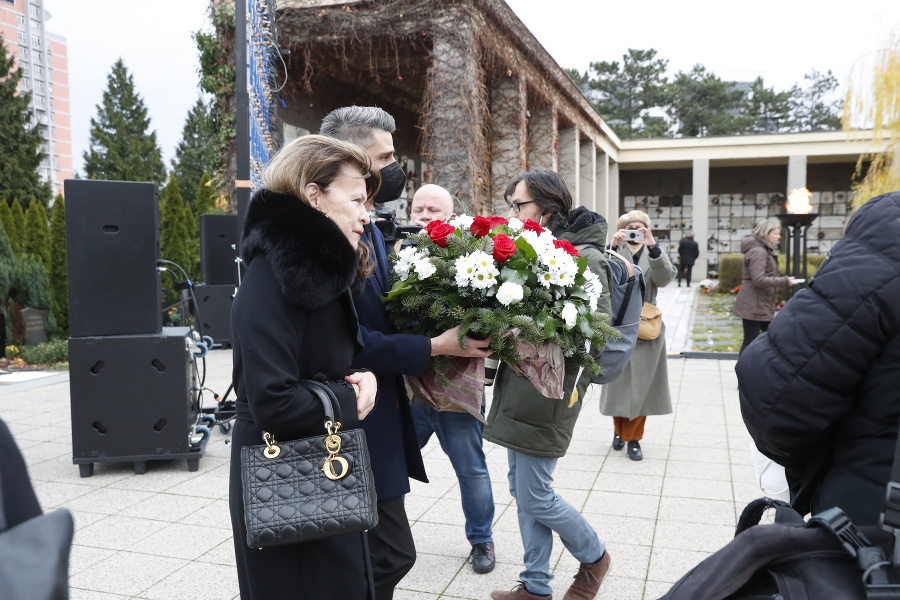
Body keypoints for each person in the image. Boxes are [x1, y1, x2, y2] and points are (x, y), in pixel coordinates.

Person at [321, 105, 494, 599]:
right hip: (356, 417)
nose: (396, 167)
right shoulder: (330, 238)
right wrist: (435, 345)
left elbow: (386, 309)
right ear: (352, 159)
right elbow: (350, 339)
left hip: (385, 412)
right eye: (387, 156)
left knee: (385, 554)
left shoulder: (369, 225)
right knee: (386, 554)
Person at [229, 135, 380, 599]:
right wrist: (347, 399)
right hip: (286, 477)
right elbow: (271, 397)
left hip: (316, 466)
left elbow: (319, 364)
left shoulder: (310, 268)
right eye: (356, 199)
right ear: (315, 196)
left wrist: (361, 378)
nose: (366, 213)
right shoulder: (276, 270)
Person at [484, 169, 613, 600]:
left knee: (535, 493)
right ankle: (536, 586)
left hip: (551, 391)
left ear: (548, 207)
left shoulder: (586, 257)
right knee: (523, 491)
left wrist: (537, 340)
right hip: (523, 384)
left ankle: (594, 558)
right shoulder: (538, 252)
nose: (512, 213)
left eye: (518, 205)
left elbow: (599, 335)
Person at [737, 190, 900, 526]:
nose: (780, 236)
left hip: (869, 508)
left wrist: (810, 468)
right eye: (776, 233)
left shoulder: (888, 226)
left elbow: (779, 398)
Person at [406, 183, 497, 574]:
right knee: (385, 460)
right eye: (417, 209)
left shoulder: (473, 260)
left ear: (452, 218)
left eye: (433, 210)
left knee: (470, 469)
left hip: (458, 389)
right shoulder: (394, 257)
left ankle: (482, 541)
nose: (424, 216)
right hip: (409, 387)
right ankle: (368, 529)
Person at [600, 210, 675, 461]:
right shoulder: (615, 250)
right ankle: (618, 431)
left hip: (646, 326)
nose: (635, 231)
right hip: (617, 323)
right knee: (616, 383)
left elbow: (665, 279)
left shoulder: (653, 254)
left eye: (640, 228)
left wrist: (653, 248)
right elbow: (601, 277)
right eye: (630, 227)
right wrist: (613, 245)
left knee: (641, 387)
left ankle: (634, 439)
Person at [733, 218, 800, 354]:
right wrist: (785, 281)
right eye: (775, 233)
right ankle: (744, 371)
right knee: (751, 341)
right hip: (753, 304)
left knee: (771, 339)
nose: (778, 236)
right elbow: (759, 279)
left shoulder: (763, 250)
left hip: (760, 303)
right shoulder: (758, 252)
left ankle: (761, 369)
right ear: (765, 234)